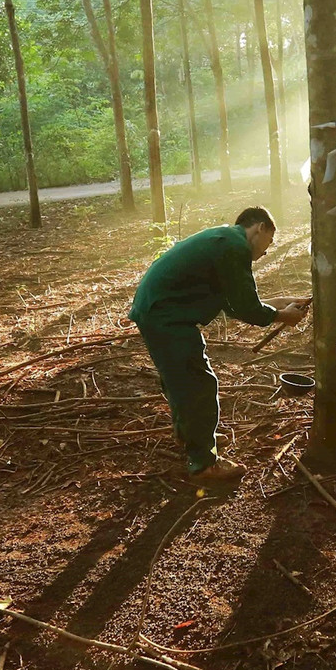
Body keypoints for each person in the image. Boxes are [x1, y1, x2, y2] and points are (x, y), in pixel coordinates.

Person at [128, 206, 307, 482]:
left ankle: (192, 436)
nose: (267, 251)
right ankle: (203, 464)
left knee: (180, 379)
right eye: (269, 242)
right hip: (166, 315)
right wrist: (284, 316)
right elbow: (248, 308)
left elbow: (235, 303)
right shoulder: (235, 248)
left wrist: (283, 304)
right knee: (198, 383)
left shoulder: (224, 240)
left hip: (157, 309)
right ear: (258, 228)